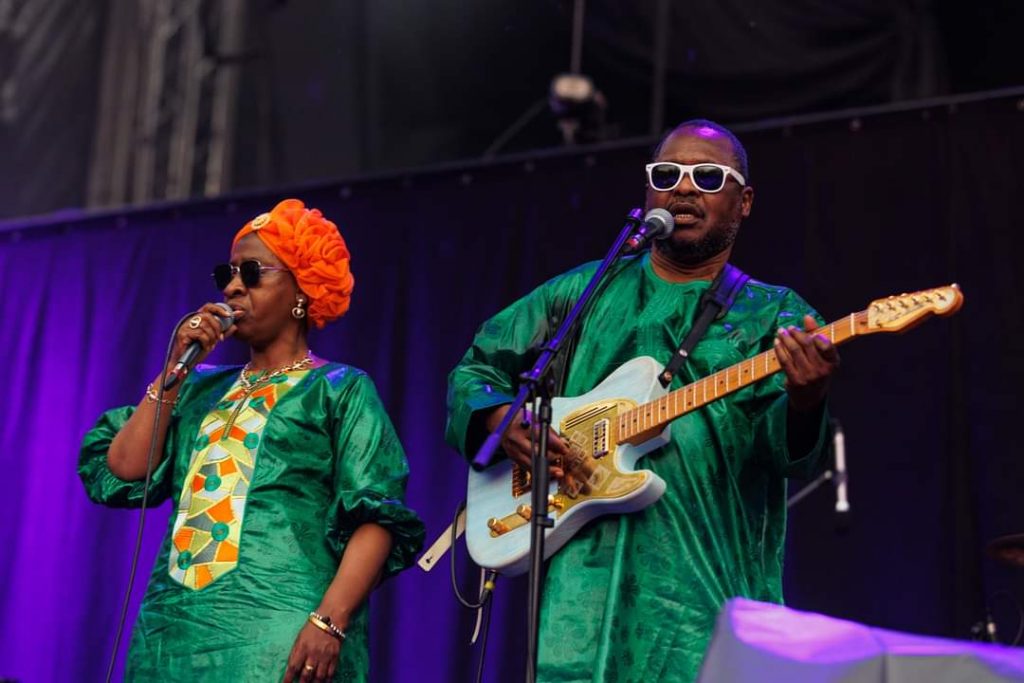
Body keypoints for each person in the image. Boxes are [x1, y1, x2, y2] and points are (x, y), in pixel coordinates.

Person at [446, 120, 840, 681]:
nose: (684, 188)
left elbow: (787, 453)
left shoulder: (775, 315)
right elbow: (477, 366)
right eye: (666, 175)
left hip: (705, 591)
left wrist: (807, 397)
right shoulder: (583, 292)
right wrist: (496, 419)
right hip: (578, 603)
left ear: (744, 201)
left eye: (708, 177)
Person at [79, 198, 424, 682]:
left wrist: (329, 620)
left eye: (252, 273)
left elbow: (377, 517)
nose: (232, 287)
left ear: (301, 290)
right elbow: (124, 467)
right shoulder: (198, 386)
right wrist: (175, 370)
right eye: (227, 274)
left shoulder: (338, 388)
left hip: (277, 634)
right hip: (171, 636)